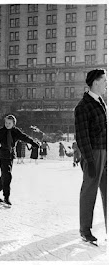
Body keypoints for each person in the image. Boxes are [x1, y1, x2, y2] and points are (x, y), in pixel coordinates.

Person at [74, 68, 107, 244]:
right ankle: (85, 230)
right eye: (104, 81)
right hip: (93, 154)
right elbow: (82, 137)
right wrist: (90, 160)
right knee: (89, 192)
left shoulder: (101, 101)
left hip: (105, 151)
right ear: (95, 82)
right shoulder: (83, 106)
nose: (106, 85)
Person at [0, 114, 40, 207]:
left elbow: (25, 137)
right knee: (7, 175)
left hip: (11, 155)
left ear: (13, 124)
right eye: (6, 123)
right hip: (3, 155)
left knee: (5, 175)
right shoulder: (1, 131)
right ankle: (6, 197)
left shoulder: (16, 131)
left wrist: (33, 143)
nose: (7, 124)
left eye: (9, 123)